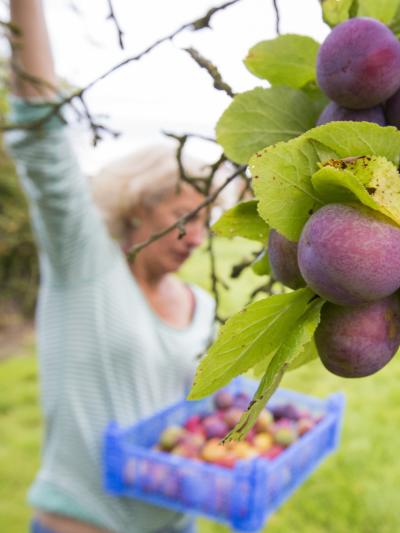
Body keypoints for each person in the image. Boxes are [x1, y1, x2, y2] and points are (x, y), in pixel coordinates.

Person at [6, 1, 224, 531]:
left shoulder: (204, 307)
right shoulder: (86, 266)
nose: (196, 236)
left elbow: (204, 422)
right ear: (138, 205)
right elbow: (43, 142)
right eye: (182, 217)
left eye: (205, 221)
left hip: (178, 523)